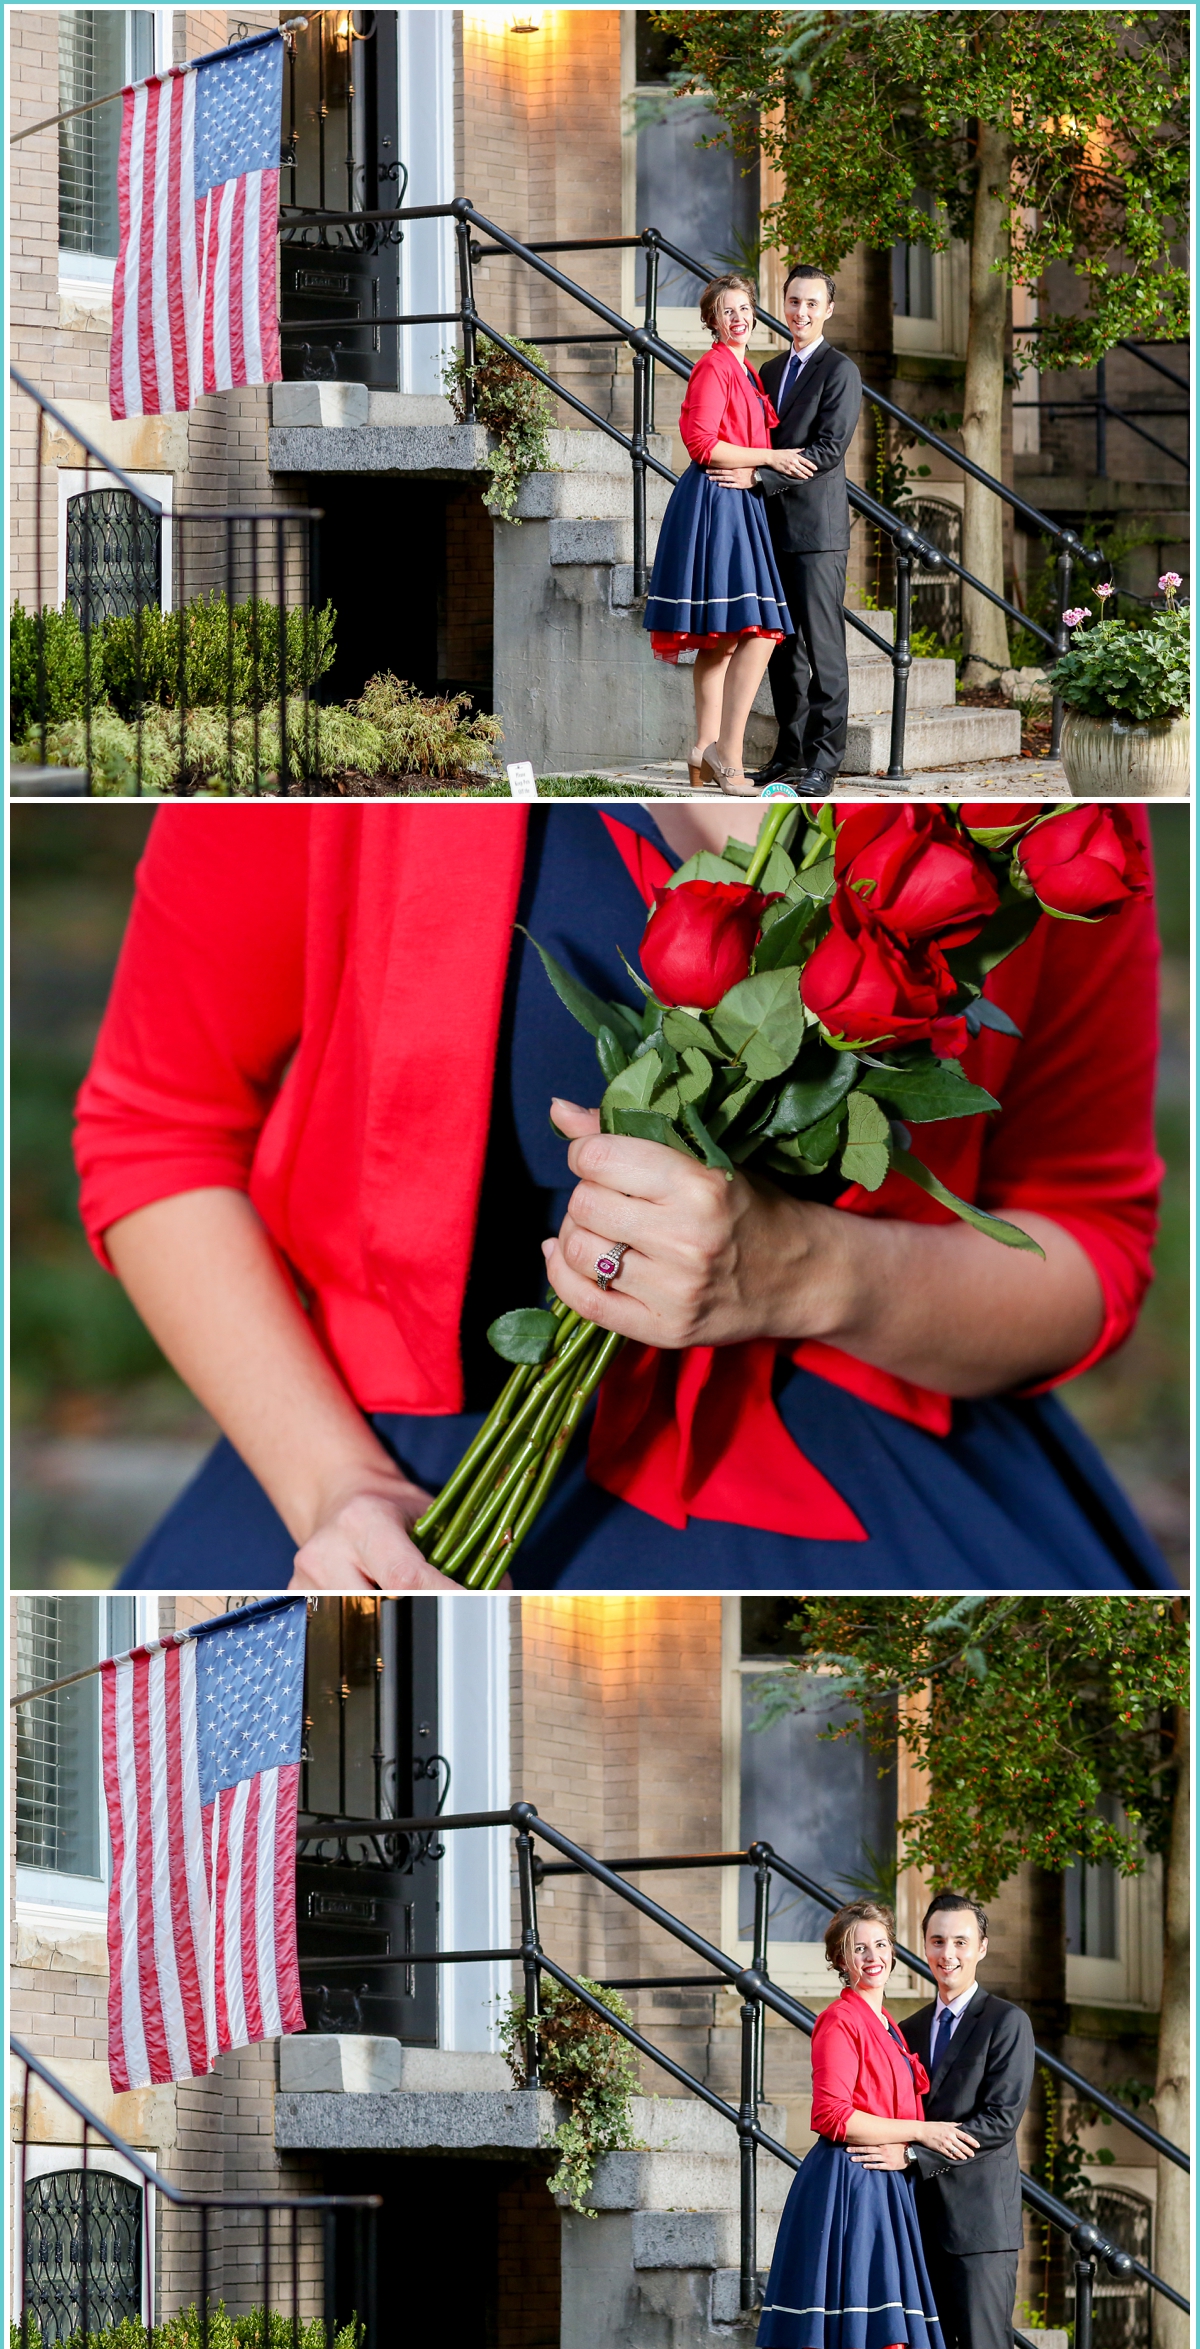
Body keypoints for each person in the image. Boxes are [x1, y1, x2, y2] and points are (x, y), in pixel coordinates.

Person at [72, 802, 1170, 1593]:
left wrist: (815, 1270)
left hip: (874, 1449)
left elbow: (1091, 1245)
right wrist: (335, 1488)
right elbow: (159, 1134)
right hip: (376, 1475)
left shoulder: (1033, 823)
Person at [758, 1901, 969, 2349]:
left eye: (880, 1945)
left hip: (888, 2187)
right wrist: (921, 2131)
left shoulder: (890, 2025)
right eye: (859, 1948)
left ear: (893, 1952)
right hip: (851, 2183)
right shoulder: (839, 2019)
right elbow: (832, 2115)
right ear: (841, 1960)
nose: (872, 1956)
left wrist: (912, 2145)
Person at [642, 274, 808, 797]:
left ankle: (702, 748)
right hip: (718, 501)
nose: (738, 318)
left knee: (725, 641)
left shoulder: (746, 370)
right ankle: (727, 757)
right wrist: (771, 457)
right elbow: (701, 444)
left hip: (741, 501)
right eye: (727, 311)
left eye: (744, 309)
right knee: (757, 632)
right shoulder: (714, 367)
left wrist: (760, 466)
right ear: (712, 320)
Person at [877, 1893, 1035, 2349]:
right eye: (938, 1941)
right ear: (924, 1947)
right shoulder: (907, 2031)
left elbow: (999, 2120)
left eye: (961, 1942)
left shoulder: (1007, 2023)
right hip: (920, 2227)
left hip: (981, 2231)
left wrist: (912, 2153)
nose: (949, 1953)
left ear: (981, 1948)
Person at [742, 265, 863, 796]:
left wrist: (761, 474)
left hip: (817, 533)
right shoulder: (768, 372)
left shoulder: (841, 371)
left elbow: (829, 449)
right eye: (793, 302)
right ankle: (788, 755)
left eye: (812, 304)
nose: (801, 313)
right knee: (783, 650)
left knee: (823, 652)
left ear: (828, 309)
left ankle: (824, 762)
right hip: (771, 529)